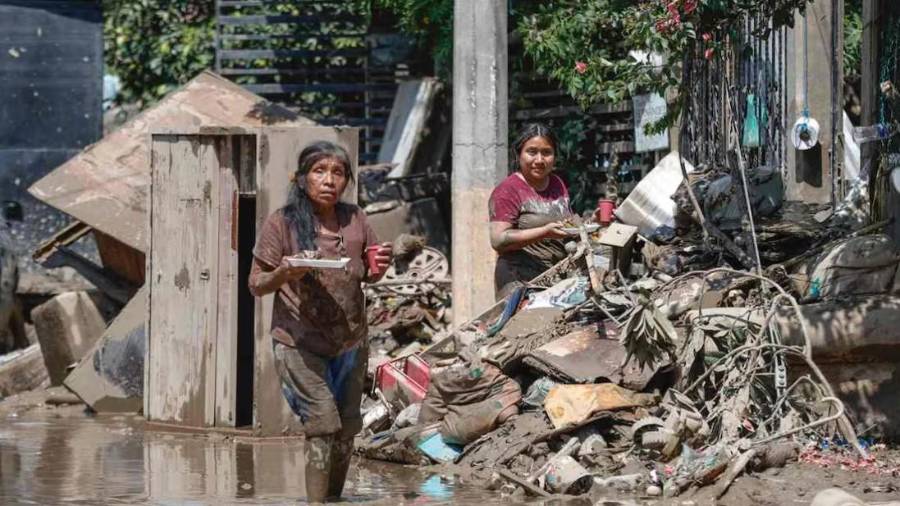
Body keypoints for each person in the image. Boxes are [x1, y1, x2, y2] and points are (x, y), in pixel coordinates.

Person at [248, 141, 392, 503]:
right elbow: (256, 284)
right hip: (298, 341)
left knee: (347, 426)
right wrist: (285, 271)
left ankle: (333, 500)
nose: (329, 180)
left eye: (338, 173)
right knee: (323, 422)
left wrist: (379, 266)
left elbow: (368, 272)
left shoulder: (356, 219)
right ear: (301, 179)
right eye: (319, 171)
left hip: (350, 340)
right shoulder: (281, 222)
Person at [489, 123, 572, 299]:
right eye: (532, 152)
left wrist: (591, 222)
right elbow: (498, 240)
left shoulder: (557, 183)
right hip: (519, 281)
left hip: (555, 279)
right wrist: (544, 232)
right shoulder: (508, 190)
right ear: (518, 154)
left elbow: (567, 222)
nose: (540, 160)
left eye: (547, 153)